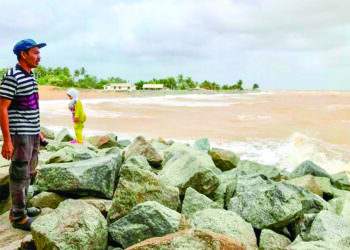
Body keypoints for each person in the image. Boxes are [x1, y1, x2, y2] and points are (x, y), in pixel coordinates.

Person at [0, 39, 46, 230]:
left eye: (38, 53)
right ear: (23, 55)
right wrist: (7, 141)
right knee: (19, 173)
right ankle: (18, 217)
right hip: (19, 134)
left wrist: (38, 131)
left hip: (32, 132)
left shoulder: (30, 75)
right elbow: (2, 108)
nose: (39, 56)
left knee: (29, 172)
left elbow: (31, 106)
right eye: (35, 52)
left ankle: (22, 208)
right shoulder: (12, 76)